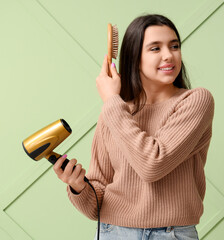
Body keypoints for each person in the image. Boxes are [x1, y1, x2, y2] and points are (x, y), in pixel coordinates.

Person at [53, 14, 214, 240]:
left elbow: (152, 164)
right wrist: (78, 186)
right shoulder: (115, 111)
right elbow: (96, 204)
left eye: (174, 46)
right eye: (155, 48)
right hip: (112, 232)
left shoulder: (196, 101)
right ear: (134, 58)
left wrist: (112, 102)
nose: (169, 55)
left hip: (171, 234)